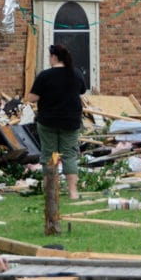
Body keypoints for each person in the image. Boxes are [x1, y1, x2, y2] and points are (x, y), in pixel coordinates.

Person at [27, 43, 87, 199]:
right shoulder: (76, 73)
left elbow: (32, 98)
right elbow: (82, 90)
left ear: (54, 57)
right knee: (69, 156)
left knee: (50, 155)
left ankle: (51, 192)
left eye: (49, 56)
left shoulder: (45, 75)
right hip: (71, 121)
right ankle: (73, 192)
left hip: (48, 121)